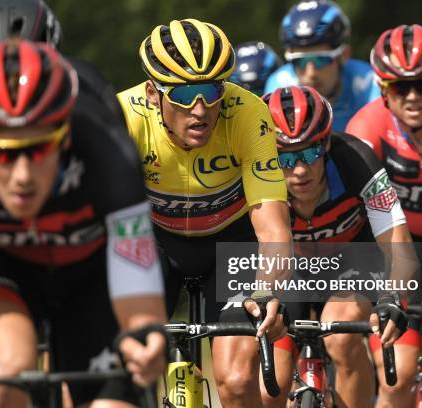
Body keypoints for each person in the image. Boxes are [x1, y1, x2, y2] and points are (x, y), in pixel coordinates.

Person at [0, 39, 167, 408]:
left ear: (65, 138)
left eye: (37, 149)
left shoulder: (109, 155)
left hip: (91, 272)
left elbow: (141, 317)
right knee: (3, 376)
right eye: (3, 153)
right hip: (1, 263)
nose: (22, 175)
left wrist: (146, 339)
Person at [117, 18, 293, 407]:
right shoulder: (123, 118)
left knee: (234, 378)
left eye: (212, 91)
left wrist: (267, 291)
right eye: (184, 95)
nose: (201, 109)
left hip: (230, 244)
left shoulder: (248, 113)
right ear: (151, 92)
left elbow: (273, 229)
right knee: (122, 369)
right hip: (154, 243)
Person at [260, 85, 414, 408]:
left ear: (326, 143)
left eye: (310, 153)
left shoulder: (356, 159)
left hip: (354, 264)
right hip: (293, 273)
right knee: (268, 392)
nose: (299, 170)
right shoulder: (256, 176)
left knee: (340, 336)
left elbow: (400, 245)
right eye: (285, 158)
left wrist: (393, 295)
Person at [346, 24, 422, 407]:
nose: (413, 95)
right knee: (396, 381)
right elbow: (360, 216)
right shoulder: (367, 129)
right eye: (400, 86)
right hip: (400, 251)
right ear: (383, 88)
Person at [264, 0, 379, 131]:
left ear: (344, 55)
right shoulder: (279, 86)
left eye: (321, 59)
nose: (311, 73)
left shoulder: (368, 82)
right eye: (299, 61)